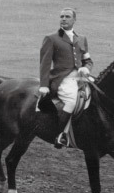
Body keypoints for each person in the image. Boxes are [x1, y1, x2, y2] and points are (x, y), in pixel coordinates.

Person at [38, 8, 93, 149]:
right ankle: (60, 134)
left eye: (67, 16)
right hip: (61, 79)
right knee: (72, 100)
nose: (63, 19)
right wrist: (43, 85)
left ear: (74, 19)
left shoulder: (82, 39)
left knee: (97, 95)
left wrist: (86, 68)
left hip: (81, 78)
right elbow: (44, 63)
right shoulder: (51, 38)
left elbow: (88, 60)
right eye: (61, 16)